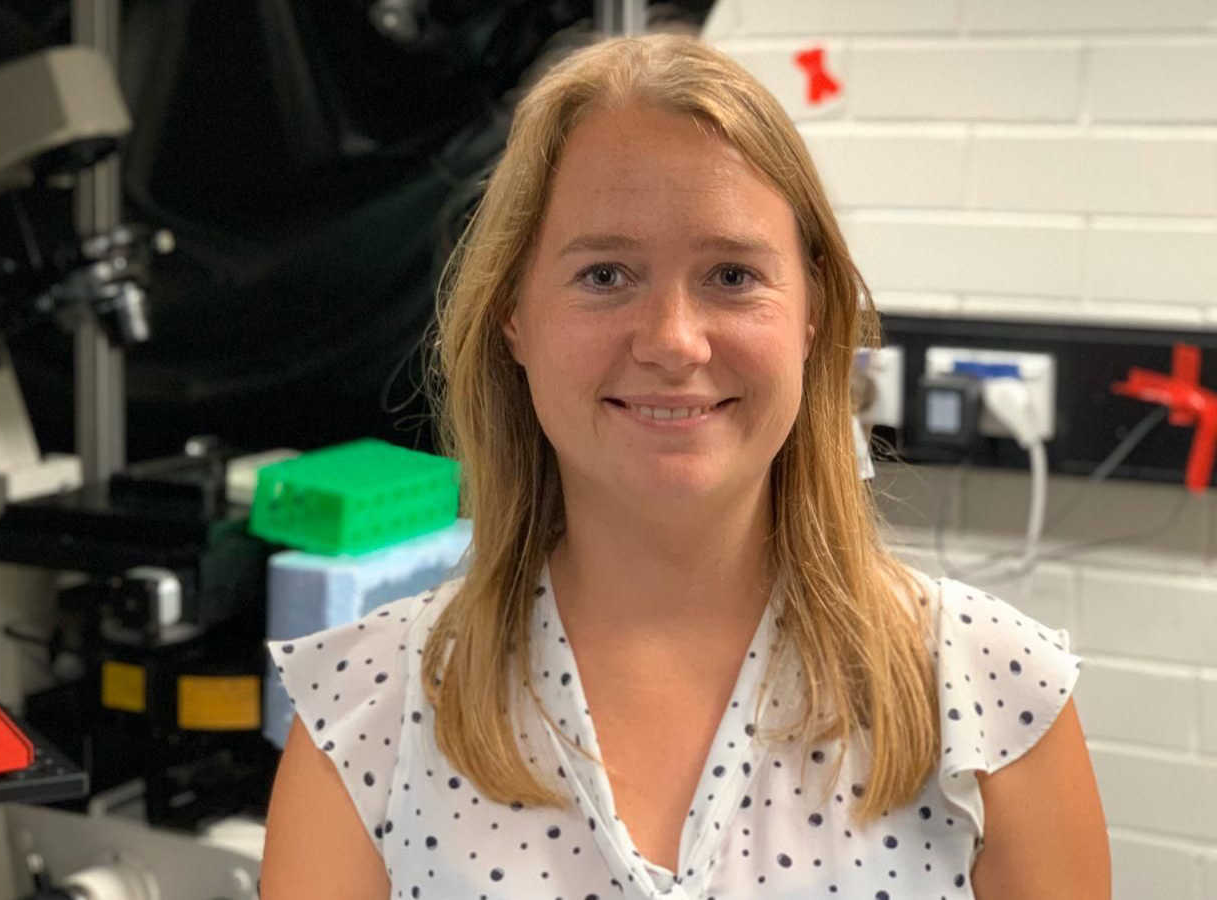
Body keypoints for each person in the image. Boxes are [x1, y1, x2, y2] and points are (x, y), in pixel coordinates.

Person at [258, 33, 1109, 900]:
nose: (672, 340)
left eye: (733, 274)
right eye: (605, 274)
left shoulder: (992, 692)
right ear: (514, 314)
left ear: (814, 312)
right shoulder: (366, 712)